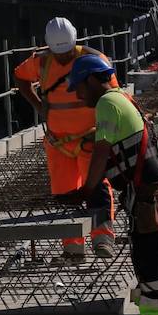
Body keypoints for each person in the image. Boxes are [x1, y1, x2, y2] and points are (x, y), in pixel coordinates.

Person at [60, 54, 158, 315]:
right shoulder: (121, 97)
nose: (78, 94)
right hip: (150, 192)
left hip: (148, 196)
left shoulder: (106, 103)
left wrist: (86, 190)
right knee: (144, 258)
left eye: (79, 87)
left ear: (91, 80)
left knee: (148, 262)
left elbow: (101, 152)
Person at [13, 17, 117, 260]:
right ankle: (73, 248)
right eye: (58, 54)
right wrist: (38, 105)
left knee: (97, 187)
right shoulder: (41, 61)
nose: (62, 58)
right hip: (59, 143)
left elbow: (113, 95)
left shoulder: (94, 59)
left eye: (67, 53)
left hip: (90, 138)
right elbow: (20, 76)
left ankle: (103, 239)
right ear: (49, 47)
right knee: (64, 193)